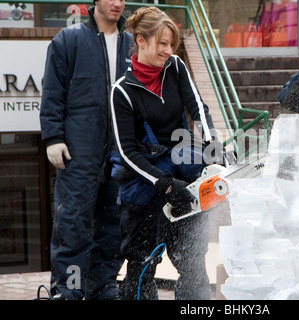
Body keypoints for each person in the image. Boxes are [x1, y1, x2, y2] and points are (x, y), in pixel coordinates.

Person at [110, 6, 221, 300]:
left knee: (193, 264)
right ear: (141, 40)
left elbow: (197, 108)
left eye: (170, 43)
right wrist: (165, 184)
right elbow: (127, 151)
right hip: (146, 188)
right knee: (143, 267)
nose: (167, 50)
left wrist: (213, 149)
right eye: (161, 43)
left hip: (185, 180)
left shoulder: (175, 67)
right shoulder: (122, 91)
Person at [39, 0, 132, 300]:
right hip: (80, 149)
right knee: (74, 221)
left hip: (121, 150)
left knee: (114, 222)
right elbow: (53, 92)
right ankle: (68, 289)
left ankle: (104, 285)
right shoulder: (68, 40)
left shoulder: (133, 43)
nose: (117, 3)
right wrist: (53, 137)